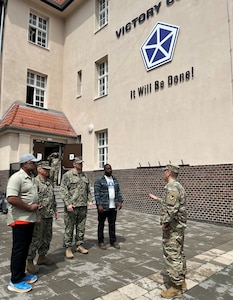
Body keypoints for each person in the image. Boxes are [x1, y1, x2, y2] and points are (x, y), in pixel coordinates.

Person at [149, 164, 187, 299]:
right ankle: (181, 282)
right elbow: (171, 204)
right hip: (178, 227)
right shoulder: (178, 186)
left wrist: (165, 223)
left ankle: (176, 288)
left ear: (168, 173)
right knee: (179, 252)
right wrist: (157, 199)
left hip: (172, 228)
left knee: (172, 255)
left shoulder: (172, 187)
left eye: (164, 171)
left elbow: (171, 209)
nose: (163, 173)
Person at [6, 153, 41, 293]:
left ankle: (21, 274)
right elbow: (11, 198)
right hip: (20, 219)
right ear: (25, 164)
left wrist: (36, 205)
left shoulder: (30, 178)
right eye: (33, 162)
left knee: (25, 249)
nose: (35, 165)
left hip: (29, 219)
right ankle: (15, 281)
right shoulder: (17, 178)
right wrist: (28, 207)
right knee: (19, 250)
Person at [26, 161, 59, 274]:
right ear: (39, 169)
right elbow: (32, 199)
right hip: (38, 215)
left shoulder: (49, 182)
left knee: (47, 236)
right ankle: (29, 261)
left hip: (48, 214)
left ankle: (42, 257)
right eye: (45, 169)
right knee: (36, 239)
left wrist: (55, 209)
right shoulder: (34, 182)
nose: (48, 171)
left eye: (48, 169)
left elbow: (52, 197)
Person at [60, 157, 93, 259]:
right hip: (72, 206)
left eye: (81, 163)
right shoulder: (67, 175)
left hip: (82, 206)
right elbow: (63, 190)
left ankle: (79, 245)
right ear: (74, 164)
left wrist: (90, 200)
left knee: (81, 227)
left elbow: (88, 190)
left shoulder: (84, 175)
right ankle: (68, 247)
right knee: (69, 228)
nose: (81, 165)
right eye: (79, 163)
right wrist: (68, 203)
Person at [94, 164, 123, 250]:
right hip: (103, 206)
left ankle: (113, 241)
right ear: (104, 170)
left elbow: (118, 191)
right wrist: (99, 204)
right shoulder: (99, 180)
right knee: (101, 224)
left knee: (112, 224)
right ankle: (101, 241)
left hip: (113, 206)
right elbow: (97, 193)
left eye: (110, 168)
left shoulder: (114, 180)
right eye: (107, 169)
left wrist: (120, 201)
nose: (109, 170)